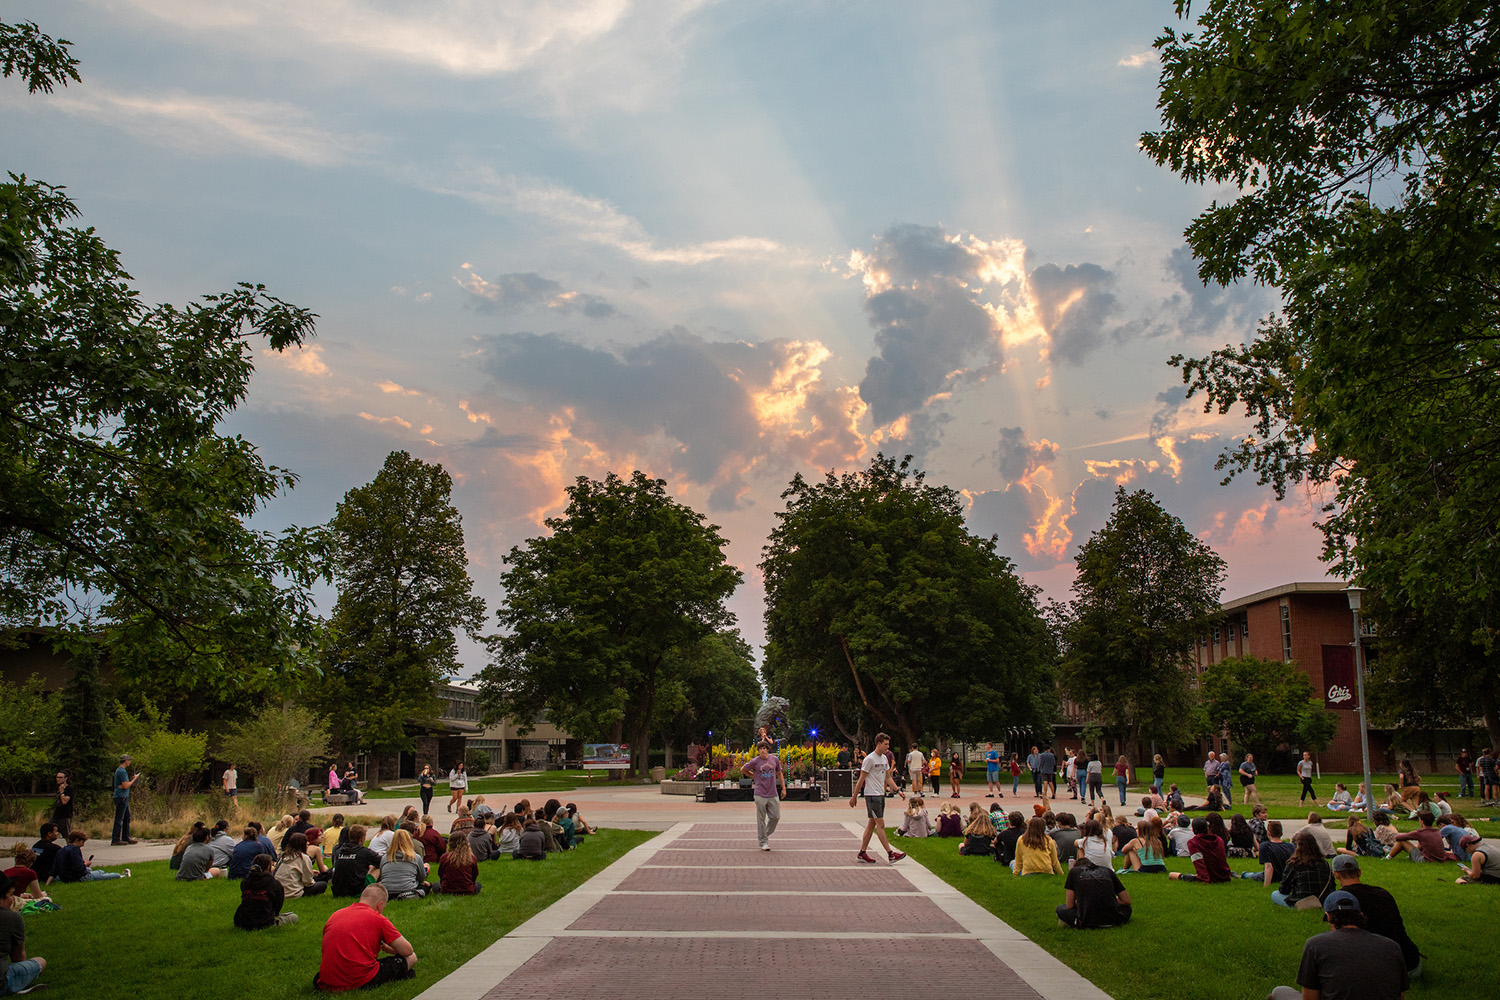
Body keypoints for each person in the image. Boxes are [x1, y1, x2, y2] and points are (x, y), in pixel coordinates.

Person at [1267, 891, 1408, 1000]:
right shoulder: (1392, 946)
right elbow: (1400, 995)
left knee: (1280, 992)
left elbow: (1310, 997)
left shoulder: (1316, 945)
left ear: (1328, 916)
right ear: (1360, 915)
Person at [1329, 855, 1421, 977]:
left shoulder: (1341, 900)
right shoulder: (1382, 893)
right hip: (1411, 961)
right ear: (1359, 872)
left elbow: (1339, 939)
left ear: (1336, 874)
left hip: (1379, 969)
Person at [314, 884, 417, 992]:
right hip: (359, 979)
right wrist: (392, 950)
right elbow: (408, 951)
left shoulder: (336, 915)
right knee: (412, 957)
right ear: (379, 905)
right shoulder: (378, 919)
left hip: (327, 980)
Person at [849, 733, 906, 864]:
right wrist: (854, 797)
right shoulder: (870, 759)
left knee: (872, 823)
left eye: (888, 744)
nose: (888, 747)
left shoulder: (884, 759)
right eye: (886, 744)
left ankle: (862, 852)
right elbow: (861, 779)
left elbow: (888, 778)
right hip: (872, 795)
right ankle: (890, 854)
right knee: (880, 824)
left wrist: (898, 790)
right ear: (879, 744)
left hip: (881, 794)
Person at [0, 873, 46, 995]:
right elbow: (18, 957)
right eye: (10, 895)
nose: (12, 899)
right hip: (2, 982)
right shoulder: (10, 917)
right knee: (40, 961)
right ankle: (16, 986)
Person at [1055, 858, 1131, 928]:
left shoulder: (1074, 872)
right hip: (1114, 918)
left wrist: (1082, 901)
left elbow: (1069, 905)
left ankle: (1076, 921)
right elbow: (1126, 900)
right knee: (1127, 908)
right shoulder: (1107, 871)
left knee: (1060, 908)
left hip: (1086, 920)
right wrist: (1109, 899)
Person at [739, 741, 786, 851]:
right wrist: (752, 775)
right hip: (760, 793)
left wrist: (783, 788)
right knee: (761, 818)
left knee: (775, 817)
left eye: (764, 748)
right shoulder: (755, 761)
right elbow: (743, 769)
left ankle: (764, 834)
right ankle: (763, 842)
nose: (762, 750)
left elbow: (779, 773)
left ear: (768, 749)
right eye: (760, 749)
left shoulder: (774, 759)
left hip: (773, 792)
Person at [1271, 829, 1336, 908]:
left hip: (1301, 901)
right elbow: (1332, 886)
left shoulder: (1295, 864)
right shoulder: (1325, 864)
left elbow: (1283, 889)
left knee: (1275, 894)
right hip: (1322, 900)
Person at [235, 854, 297, 929]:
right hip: (264, 922)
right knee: (293, 917)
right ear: (268, 867)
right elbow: (277, 906)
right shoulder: (274, 883)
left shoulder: (245, 882)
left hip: (242, 921)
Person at [1167, 818, 1230, 883]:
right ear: (1207, 828)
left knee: (1172, 875)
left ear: (1193, 830)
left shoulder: (1193, 843)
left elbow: (1198, 862)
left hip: (1210, 877)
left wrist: (1204, 879)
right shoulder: (1219, 840)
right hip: (1225, 875)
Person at [54, 831, 127, 882]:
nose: (83, 845)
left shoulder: (61, 850)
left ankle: (102, 872)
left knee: (100, 871)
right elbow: (78, 868)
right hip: (77, 877)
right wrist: (86, 864)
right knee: (101, 875)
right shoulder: (74, 850)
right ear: (77, 840)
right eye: (82, 842)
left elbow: (56, 868)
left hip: (66, 876)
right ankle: (120, 876)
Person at [330, 825, 382, 897]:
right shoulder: (364, 852)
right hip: (357, 890)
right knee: (377, 867)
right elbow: (381, 861)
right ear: (362, 838)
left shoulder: (340, 851)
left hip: (338, 891)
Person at [380, 830, 430, 899]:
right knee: (427, 886)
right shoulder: (415, 858)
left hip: (387, 891)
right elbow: (422, 877)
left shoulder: (385, 857)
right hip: (408, 889)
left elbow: (382, 875)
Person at [1241, 819, 1294, 884]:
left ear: (1268, 833)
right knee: (1257, 874)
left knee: (1251, 875)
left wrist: (1266, 885)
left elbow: (1269, 867)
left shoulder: (1265, 846)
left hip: (1272, 877)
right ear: (1281, 833)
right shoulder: (1291, 846)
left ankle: (1243, 874)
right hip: (1286, 876)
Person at [276, 832, 328, 898]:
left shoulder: (283, 856)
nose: (308, 843)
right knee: (322, 884)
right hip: (293, 893)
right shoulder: (303, 858)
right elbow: (308, 883)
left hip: (280, 892)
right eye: (306, 842)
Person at [110, 752, 140, 845]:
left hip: (123, 796)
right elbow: (126, 785)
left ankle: (125, 837)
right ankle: (115, 839)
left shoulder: (120, 770)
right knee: (120, 818)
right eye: (129, 761)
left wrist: (123, 785)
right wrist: (134, 779)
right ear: (126, 761)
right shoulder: (122, 771)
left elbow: (122, 785)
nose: (129, 762)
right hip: (121, 797)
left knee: (127, 817)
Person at [49, 769, 74, 838]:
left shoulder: (69, 788)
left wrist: (62, 792)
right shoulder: (59, 787)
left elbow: (64, 801)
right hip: (57, 814)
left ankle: (70, 847)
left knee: (67, 835)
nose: (58, 779)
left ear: (65, 778)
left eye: (60, 777)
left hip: (65, 815)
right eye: (57, 777)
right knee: (49, 831)